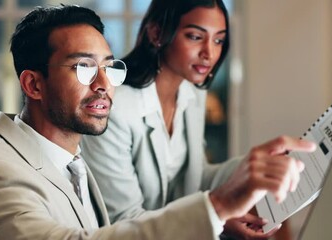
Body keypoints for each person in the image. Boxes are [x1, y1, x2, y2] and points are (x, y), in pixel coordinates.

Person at [0, 4, 315, 240]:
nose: (104, 84)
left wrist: (249, 176)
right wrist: (216, 208)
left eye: (109, 66)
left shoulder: (67, 158)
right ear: (33, 84)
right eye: (84, 67)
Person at [80, 0, 290, 239]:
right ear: (157, 33)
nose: (209, 53)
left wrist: (259, 165)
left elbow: (195, 177)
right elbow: (123, 221)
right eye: (195, 36)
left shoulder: (193, 93)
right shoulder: (116, 109)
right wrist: (217, 217)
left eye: (218, 40)